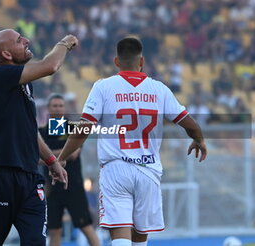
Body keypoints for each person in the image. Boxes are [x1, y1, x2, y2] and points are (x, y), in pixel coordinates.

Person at [58, 37, 207, 246]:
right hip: (148, 171)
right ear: (142, 61)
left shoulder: (103, 87)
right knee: (139, 239)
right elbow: (191, 125)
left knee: (120, 237)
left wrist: (62, 158)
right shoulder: (159, 89)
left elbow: (84, 129)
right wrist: (199, 140)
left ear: (116, 61)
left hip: (116, 169)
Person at [0, 29, 78, 246]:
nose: (27, 40)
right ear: (6, 54)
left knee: (40, 240)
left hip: (34, 178)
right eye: (19, 40)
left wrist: (52, 161)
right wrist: (65, 42)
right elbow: (50, 66)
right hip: (0, 175)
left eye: (61, 105)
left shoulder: (29, 89)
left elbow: (29, 130)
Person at [39, 94, 100, 246]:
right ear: (48, 108)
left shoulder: (73, 128)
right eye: (54, 106)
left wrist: (49, 156)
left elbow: (74, 154)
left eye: (60, 105)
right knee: (54, 230)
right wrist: (59, 155)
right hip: (51, 187)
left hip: (73, 186)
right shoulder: (41, 132)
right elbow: (36, 158)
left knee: (85, 226)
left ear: (65, 108)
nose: (58, 109)